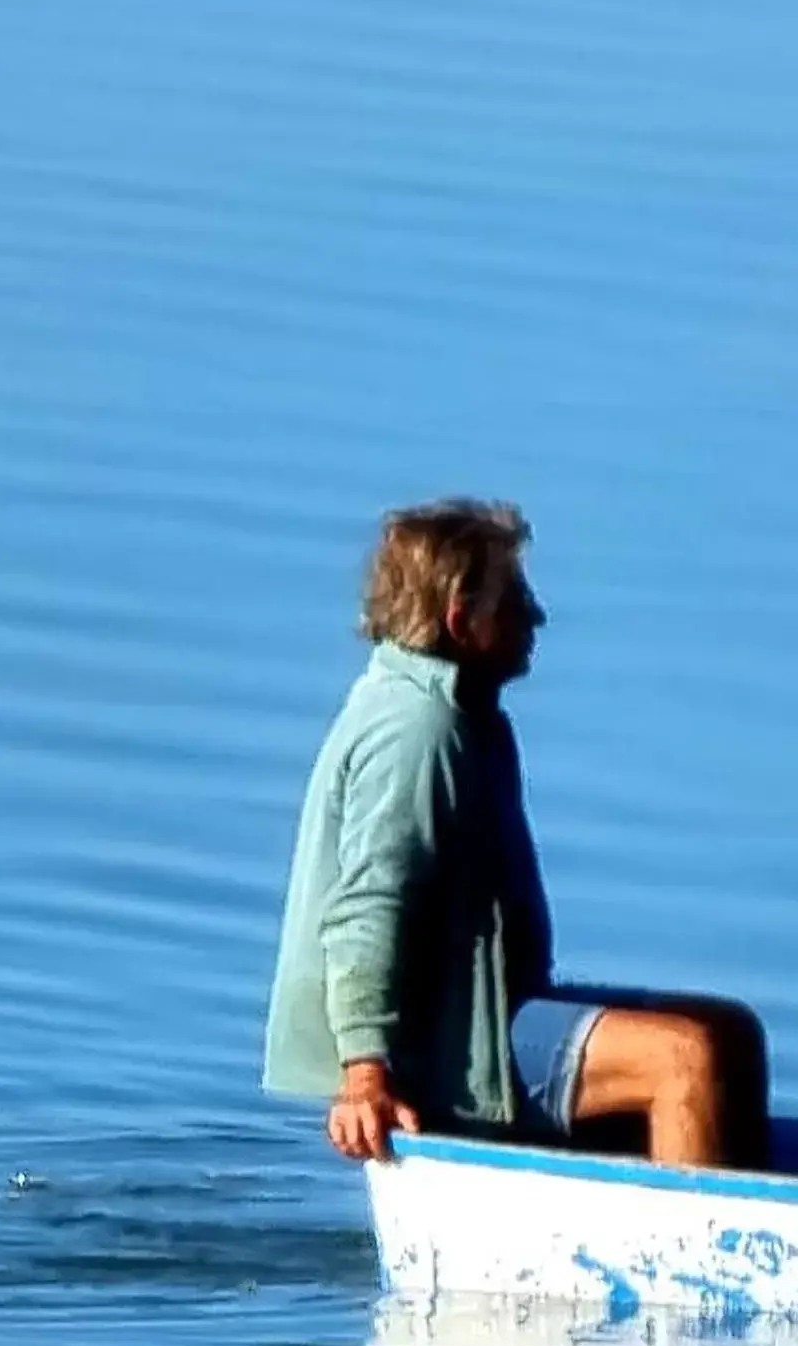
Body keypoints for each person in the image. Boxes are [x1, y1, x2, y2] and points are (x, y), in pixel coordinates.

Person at [264, 499, 770, 1167]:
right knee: (684, 1059)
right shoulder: (417, 731)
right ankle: (694, 1256)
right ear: (459, 618)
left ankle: (732, 1199)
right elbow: (366, 909)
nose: (535, 615)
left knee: (727, 1031)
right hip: (448, 1052)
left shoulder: (466, 715)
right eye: (514, 597)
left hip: (484, 1014)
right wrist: (365, 1073)